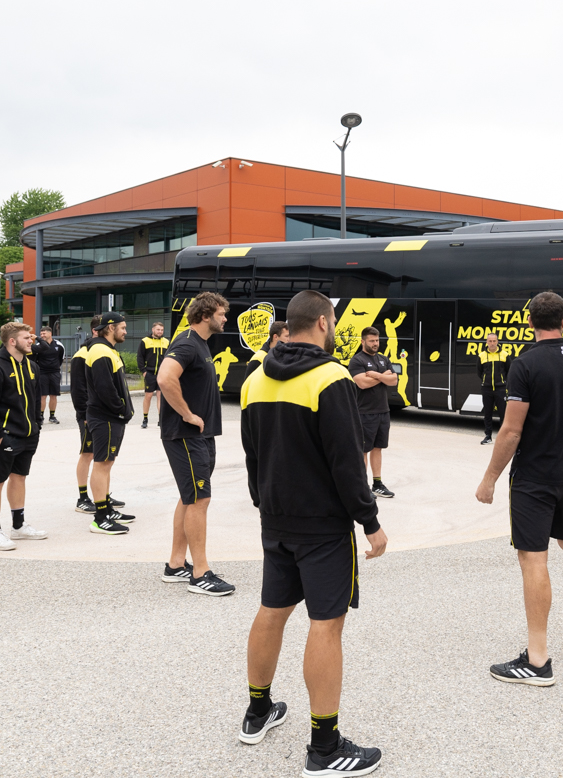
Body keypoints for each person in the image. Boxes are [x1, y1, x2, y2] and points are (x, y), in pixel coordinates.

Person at [238, 289, 387, 776]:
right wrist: (370, 521)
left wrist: (265, 504)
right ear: (323, 323)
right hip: (322, 526)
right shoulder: (332, 377)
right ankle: (324, 748)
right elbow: (347, 463)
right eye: (335, 320)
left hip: (276, 520)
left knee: (272, 612)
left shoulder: (254, 378)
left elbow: (253, 456)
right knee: (327, 623)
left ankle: (258, 712)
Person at [476, 291, 563, 685]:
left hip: (534, 478)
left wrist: (489, 478)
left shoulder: (525, 365)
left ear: (530, 323)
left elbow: (511, 430)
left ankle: (537, 660)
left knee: (534, 561)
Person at [156, 292, 235, 595]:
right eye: (221, 313)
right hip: (186, 436)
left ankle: (176, 564)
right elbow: (165, 379)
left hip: (200, 436)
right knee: (200, 500)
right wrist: (187, 414)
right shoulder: (188, 342)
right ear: (205, 315)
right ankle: (200, 573)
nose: (225, 318)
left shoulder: (199, 343)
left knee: (190, 498)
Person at [0, 322, 48, 550]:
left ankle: (18, 526)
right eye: (27, 337)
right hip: (4, 436)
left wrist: (37, 425)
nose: (32, 340)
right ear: (12, 341)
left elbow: (36, 400)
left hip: (28, 434)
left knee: (19, 477)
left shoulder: (32, 366)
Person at [85, 312, 137, 534]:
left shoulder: (107, 350)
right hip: (105, 417)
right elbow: (105, 389)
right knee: (102, 464)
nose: (125, 331)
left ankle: (106, 511)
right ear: (110, 328)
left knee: (106, 464)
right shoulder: (100, 351)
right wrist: (121, 410)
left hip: (109, 417)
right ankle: (100, 517)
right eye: (122, 327)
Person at [348, 326, 398, 499]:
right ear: (363, 341)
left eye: (377, 340)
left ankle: (377, 484)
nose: (375, 343)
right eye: (372, 341)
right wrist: (383, 376)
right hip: (364, 413)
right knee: (363, 450)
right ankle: (363, 486)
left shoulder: (383, 359)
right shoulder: (357, 361)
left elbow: (394, 380)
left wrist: (376, 375)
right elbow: (362, 383)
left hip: (383, 411)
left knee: (378, 448)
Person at [70, 318, 98, 513]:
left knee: (101, 456)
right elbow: (78, 389)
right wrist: (84, 413)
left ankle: (100, 493)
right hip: (89, 414)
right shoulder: (82, 354)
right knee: (87, 454)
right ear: (96, 330)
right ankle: (82, 498)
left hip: (102, 414)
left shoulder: (104, 351)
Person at [478, 332, 510, 445]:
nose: (492, 343)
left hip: (500, 389)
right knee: (487, 413)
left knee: (503, 414)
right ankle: (488, 436)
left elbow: (508, 370)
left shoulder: (504, 355)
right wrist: (485, 381)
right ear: (487, 342)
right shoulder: (481, 355)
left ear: (497, 342)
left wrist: (503, 382)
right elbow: (479, 372)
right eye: (490, 341)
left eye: (494, 341)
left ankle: (503, 438)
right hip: (486, 389)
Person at [136, 321, 169, 429]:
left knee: (160, 396)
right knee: (148, 396)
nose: (160, 332)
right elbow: (140, 357)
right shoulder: (145, 341)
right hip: (149, 373)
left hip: (162, 374)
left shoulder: (166, 342)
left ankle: (161, 419)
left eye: (162, 330)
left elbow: (169, 358)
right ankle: (145, 418)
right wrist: (144, 371)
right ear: (153, 330)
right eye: (158, 329)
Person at [30, 326, 65, 424]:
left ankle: (52, 416)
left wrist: (55, 367)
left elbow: (61, 358)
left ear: (50, 333)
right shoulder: (39, 345)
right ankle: (40, 417)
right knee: (42, 395)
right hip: (42, 373)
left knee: (53, 395)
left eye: (44, 334)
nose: (42, 335)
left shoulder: (59, 345)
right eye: (41, 334)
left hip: (54, 373)